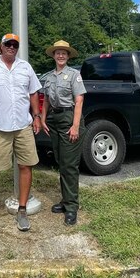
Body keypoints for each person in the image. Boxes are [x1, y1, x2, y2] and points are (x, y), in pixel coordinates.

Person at [0, 33, 42, 233]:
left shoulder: (25, 67)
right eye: (8, 44)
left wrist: (36, 115)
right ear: (0, 47)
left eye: (15, 45)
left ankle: (22, 210)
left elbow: (33, 92)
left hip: (23, 125)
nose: (12, 47)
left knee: (26, 166)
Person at [40, 40, 86, 226]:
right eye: (57, 53)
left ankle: (72, 207)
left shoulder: (74, 75)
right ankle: (65, 200)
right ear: (53, 55)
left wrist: (75, 126)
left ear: (68, 56)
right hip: (54, 119)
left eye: (64, 53)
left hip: (69, 118)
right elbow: (47, 100)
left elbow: (79, 100)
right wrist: (43, 118)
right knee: (60, 160)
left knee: (69, 164)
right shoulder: (50, 77)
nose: (60, 56)